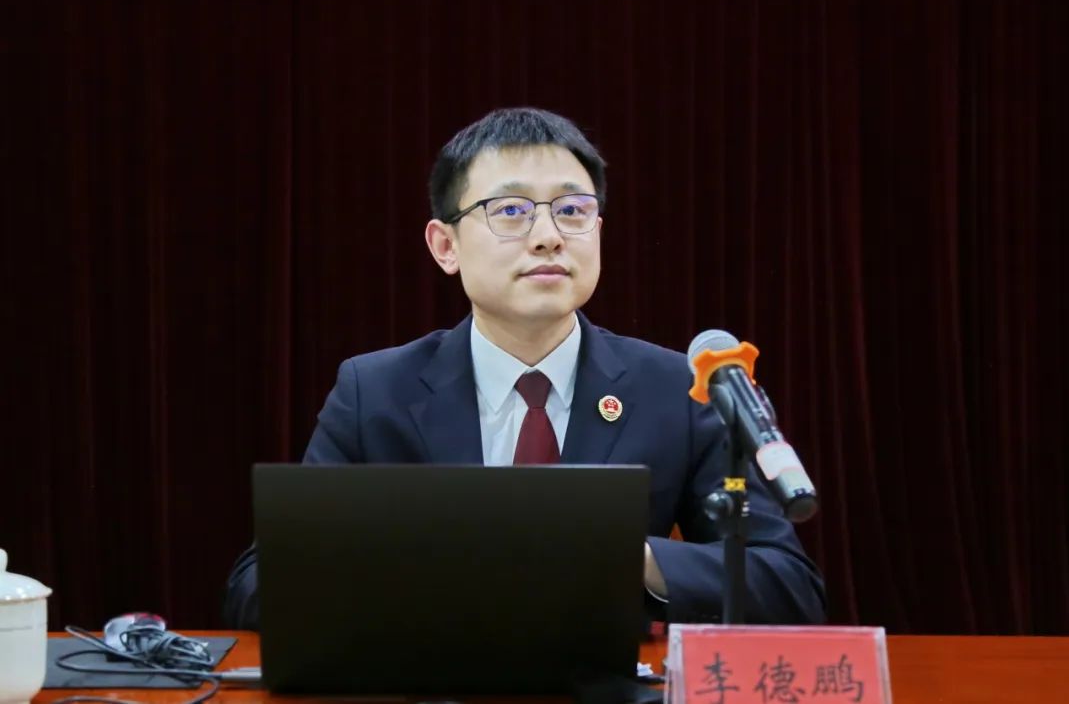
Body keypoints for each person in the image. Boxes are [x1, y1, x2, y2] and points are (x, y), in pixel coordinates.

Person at [223, 107, 826, 629]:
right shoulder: (375, 392)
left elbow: (788, 586)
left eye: (572, 210)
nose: (547, 236)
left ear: (597, 231)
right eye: (510, 210)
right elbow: (257, 587)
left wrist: (624, 556)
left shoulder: (675, 389)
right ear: (445, 246)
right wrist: (428, 562)